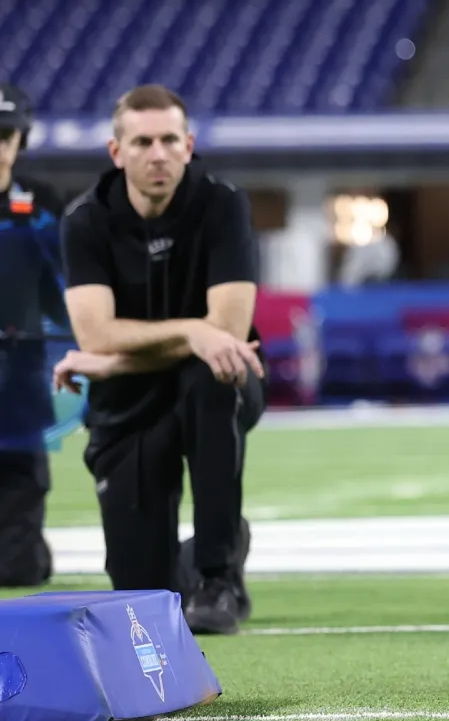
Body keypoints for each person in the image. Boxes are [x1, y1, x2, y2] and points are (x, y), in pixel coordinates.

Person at [51, 85, 266, 634]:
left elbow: (228, 335)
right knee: (144, 593)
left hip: (213, 384)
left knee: (212, 375)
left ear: (189, 145)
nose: (158, 154)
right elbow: (96, 334)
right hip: (130, 403)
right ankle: (204, 551)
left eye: (170, 139)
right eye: (142, 141)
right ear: (116, 151)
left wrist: (118, 359)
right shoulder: (85, 221)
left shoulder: (223, 204)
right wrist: (192, 329)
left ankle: (218, 577)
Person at [0, 84, 63, 586]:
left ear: (20, 139)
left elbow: (63, 287)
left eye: (6, 135)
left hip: (18, 379)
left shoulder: (42, 202)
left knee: (18, 572)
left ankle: (27, 551)